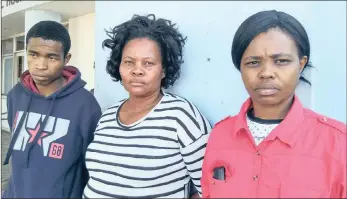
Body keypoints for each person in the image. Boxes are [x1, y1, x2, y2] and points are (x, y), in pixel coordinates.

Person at [201, 10, 346, 198]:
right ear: (240, 67)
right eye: (253, 63)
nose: (266, 72)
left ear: (301, 64)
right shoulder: (220, 134)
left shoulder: (338, 142)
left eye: (281, 61)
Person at [83, 14, 211, 198]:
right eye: (129, 62)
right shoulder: (108, 116)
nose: (137, 70)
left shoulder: (181, 116)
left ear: (164, 69)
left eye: (148, 63)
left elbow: (210, 187)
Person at [2, 21, 102, 198]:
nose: (40, 65)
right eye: (33, 54)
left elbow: (93, 167)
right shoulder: (15, 95)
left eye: (52, 57)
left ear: (67, 59)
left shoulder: (86, 105)